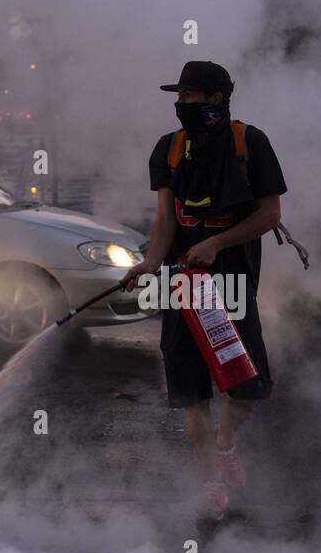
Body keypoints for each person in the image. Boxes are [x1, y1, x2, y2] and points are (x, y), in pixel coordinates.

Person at [121, 61, 287, 520]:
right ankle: (212, 480)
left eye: (190, 97)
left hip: (231, 275)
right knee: (191, 390)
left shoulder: (250, 143)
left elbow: (269, 215)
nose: (181, 106)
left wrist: (216, 243)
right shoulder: (168, 149)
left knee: (247, 385)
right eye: (178, 98)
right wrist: (151, 263)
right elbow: (165, 218)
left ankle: (225, 444)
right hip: (182, 279)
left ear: (216, 100)